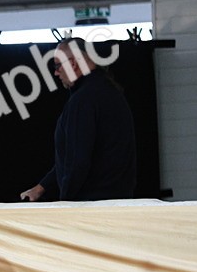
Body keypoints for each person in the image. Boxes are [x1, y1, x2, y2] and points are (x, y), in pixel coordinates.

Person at [20, 37, 136, 202]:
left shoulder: (83, 100)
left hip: (92, 206)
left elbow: (77, 161)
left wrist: (65, 203)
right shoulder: (109, 91)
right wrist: (41, 188)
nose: (56, 72)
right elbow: (78, 156)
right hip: (117, 202)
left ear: (73, 63)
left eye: (58, 65)